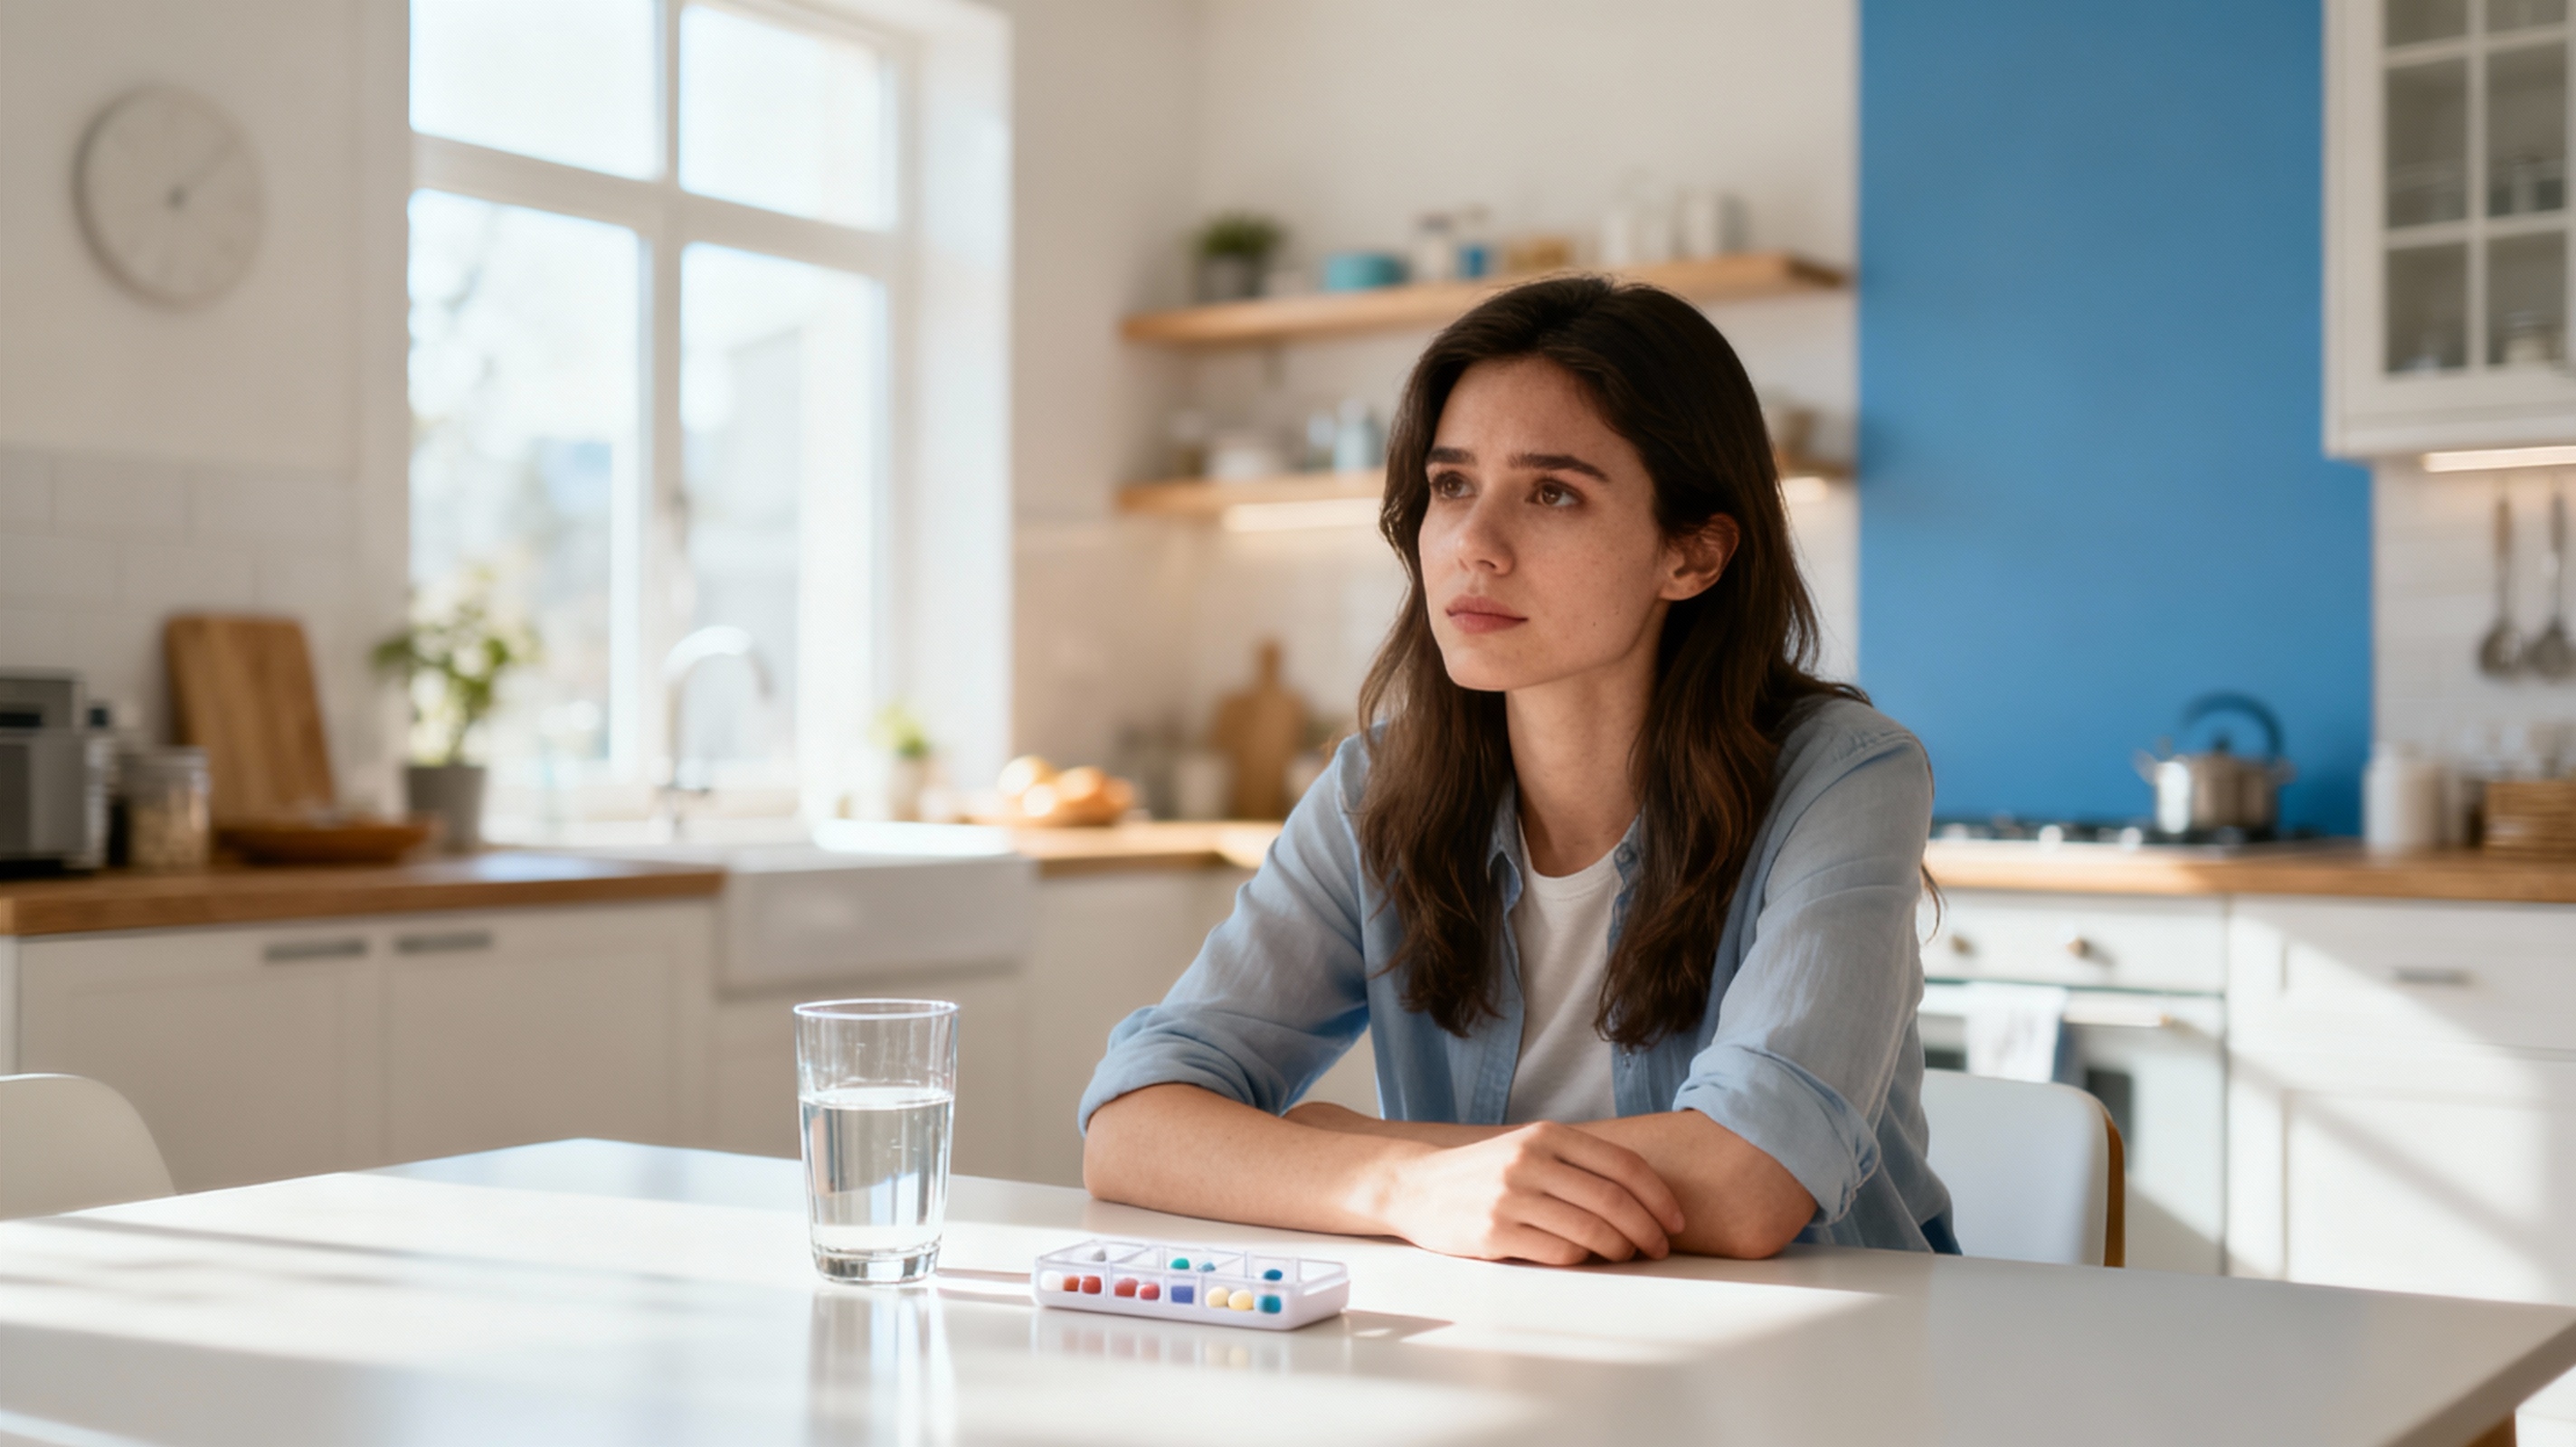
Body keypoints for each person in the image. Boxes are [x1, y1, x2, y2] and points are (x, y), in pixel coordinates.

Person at [1079, 275, 1953, 1264]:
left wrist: (1338, 1144)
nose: (1473, 545)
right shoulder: (1376, 787)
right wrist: (1396, 1184)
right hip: (1510, 1333)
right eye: (1452, 485)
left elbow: (1749, 1180)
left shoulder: (1845, 776)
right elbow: (1132, 1127)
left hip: (1832, 1339)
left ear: (1693, 555)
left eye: (1552, 493)